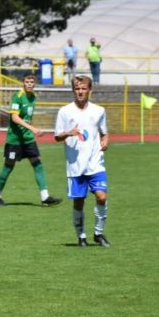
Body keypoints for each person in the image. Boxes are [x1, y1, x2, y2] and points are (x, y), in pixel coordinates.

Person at [54, 75, 110, 248]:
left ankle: (99, 233)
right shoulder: (65, 111)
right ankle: (82, 236)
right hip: (75, 165)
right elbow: (57, 136)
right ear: (73, 90)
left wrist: (105, 142)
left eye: (83, 88)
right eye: (77, 88)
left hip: (95, 162)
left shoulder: (99, 110)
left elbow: (104, 132)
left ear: (89, 90)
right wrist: (68, 133)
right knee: (79, 201)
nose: (80, 91)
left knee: (101, 197)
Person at [0, 73, 61, 207]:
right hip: (14, 140)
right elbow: (15, 118)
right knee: (8, 166)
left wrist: (30, 130)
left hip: (28, 139)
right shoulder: (17, 97)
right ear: (23, 83)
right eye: (27, 82)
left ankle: (45, 196)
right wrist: (33, 129)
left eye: (32, 82)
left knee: (37, 164)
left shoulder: (33, 96)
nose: (30, 84)